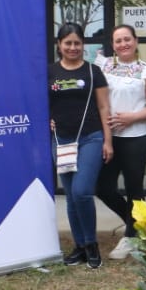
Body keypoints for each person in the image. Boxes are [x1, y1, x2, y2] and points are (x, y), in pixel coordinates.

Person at [97, 24, 146, 260]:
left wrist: (131, 117)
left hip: (136, 138)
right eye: (118, 41)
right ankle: (136, 223)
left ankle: (131, 236)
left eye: (127, 39)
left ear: (135, 41)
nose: (123, 44)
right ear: (113, 45)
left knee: (135, 188)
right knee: (102, 187)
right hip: (108, 137)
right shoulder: (103, 66)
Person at [50, 22, 112, 269]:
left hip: (90, 138)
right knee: (72, 197)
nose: (73, 47)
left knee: (82, 191)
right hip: (61, 140)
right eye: (68, 43)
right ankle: (79, 246)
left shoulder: (93, 72)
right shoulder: (50, 72)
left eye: (77, 43)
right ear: (59, 45)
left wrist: (108, 140)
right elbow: (41, 103)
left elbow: (104, 107)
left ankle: (91, 244)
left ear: (82, 45)